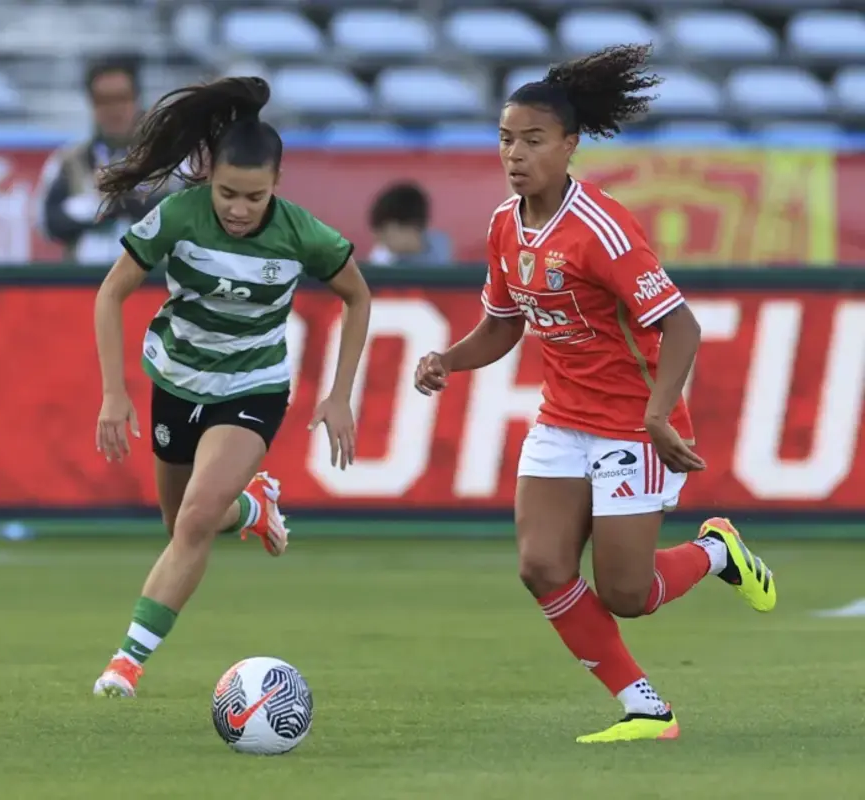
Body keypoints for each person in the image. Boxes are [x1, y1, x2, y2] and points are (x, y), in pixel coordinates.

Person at [413, 45, 777, 743]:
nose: (515, 154)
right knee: (540, 565)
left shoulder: (600, 230)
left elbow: (682, 326)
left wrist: (657, 411)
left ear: (570, 145)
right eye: (505, 139)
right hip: (561, 420)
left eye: (533, 140)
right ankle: (646, 708)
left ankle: (717, 551)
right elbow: (502, 323)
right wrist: (448, 361)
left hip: (631, 426)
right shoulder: (502, 225)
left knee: (627, 595)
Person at [91, 76, 372, 698]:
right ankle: (251, 506)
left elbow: (358, 296)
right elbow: (111, 292)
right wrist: (115, 393)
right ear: (208, 178)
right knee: (179, 524)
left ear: (277, 185)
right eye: (227, 194)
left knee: (193, 521)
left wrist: (337, 393)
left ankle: (126, 663)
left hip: (252, 388)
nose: (239, 209)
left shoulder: (303, 234)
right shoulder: (180, 216)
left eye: (254, 196)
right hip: (176, 381)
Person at [34, 59, 180, 265]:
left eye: (121, 98)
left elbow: (187, 216)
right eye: (103, 100)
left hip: (155, 286)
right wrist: (95, 206)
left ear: (137, 99)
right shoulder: (69, 159)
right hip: (86, 285)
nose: (114, 109)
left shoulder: (170, 156)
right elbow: (49, 223)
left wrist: (124, 200)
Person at [366, 182, 454, 267]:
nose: (380, 241)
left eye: (385, 234)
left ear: (412, 228)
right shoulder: (381, 258)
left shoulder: (440, 248)